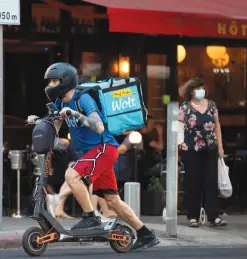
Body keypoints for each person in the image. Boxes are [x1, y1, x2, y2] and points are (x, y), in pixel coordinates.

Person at [29, 62, 159, 250]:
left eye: (54, 81)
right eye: (49, 82)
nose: (51, 85)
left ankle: (90, 217)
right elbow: (55, 129)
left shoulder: (83, 99)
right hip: (93, 152)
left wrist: (74, 113)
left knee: (71, 175)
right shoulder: (60, 102)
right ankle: (146, 234)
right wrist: (40, 122)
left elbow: (99, 127)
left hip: (104, 148)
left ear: (66, 81)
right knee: (113, 201)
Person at [178, 77, 227, 228]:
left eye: (202, 88)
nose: (201, 91)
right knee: (194, 181)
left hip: (210, 148)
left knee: (211, 181)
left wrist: (220, 147)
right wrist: (181, 143)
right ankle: (193, 216)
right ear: (191, 91)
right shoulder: (185, 108)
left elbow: (217, 125)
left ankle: (214, 216)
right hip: (192, 149)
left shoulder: (211, 105)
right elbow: (179, 126)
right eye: (197, 88)